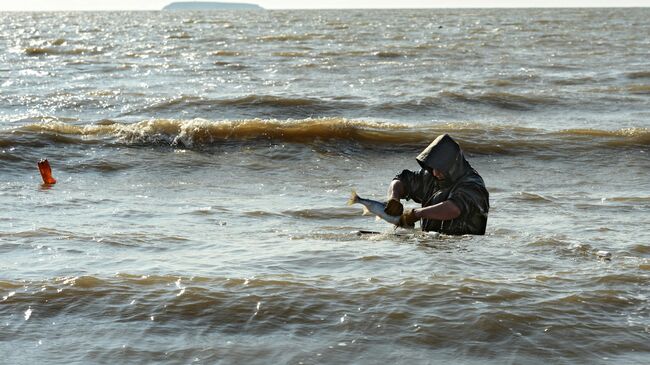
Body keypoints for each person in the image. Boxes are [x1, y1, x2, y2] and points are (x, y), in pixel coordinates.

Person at [385, 134, 489, 235]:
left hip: (463, 246)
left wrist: (416, 214)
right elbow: (402, 180)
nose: (435, 172)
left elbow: (454, 209)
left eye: (439, 168)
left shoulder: (473, 184)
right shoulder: (432, 177)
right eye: (432, 167)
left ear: (453, 165)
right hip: (434, 242)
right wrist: (393, 198)